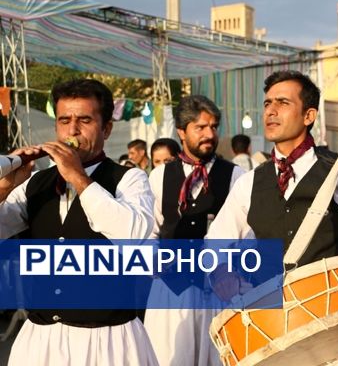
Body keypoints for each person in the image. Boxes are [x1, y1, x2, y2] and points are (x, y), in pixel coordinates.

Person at [206, 70, 338, 366]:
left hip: (336, 333)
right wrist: (221, 274)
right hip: (272, 335)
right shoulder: (249, 183)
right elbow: (214, 243)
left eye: (282, 102)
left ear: (309, 116)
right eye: (267, 103)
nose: (271, 111)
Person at [0, 79, 157, 365]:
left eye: (84, 120)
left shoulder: (130, 179)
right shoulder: (35, 183)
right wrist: (5, 187)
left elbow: (132, 233)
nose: (72, 130)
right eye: (64, 120)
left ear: (106, 128)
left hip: (107, 341)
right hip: (41, 341)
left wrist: (78, 177)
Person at [144, 95, 245, 366]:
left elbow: (247, 236)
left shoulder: (236, 176)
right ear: (181, 131)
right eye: (200, 127)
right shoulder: (160, 176)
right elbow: (150, 230)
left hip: (216, 293)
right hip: (170, 291)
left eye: (213, 126)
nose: (209, 134)